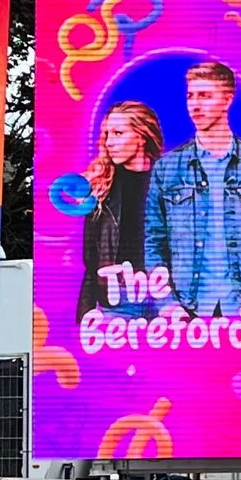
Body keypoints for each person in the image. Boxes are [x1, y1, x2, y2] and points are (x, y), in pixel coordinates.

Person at [144, 62, 241, 316]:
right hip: (187, 309)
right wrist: (167, 304)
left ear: (227, 100)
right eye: (190, 96)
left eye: (205, 95)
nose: (195, 105)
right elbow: (154, 241)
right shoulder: (167, 168)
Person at [79, 100, 163, 319]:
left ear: (142, 136)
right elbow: (91, 260)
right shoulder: (101, 187)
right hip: (119, 300)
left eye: (118, 133)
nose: (109, 142)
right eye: (107, 134)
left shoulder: (171, 182)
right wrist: (84, 315)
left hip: (166, 297)